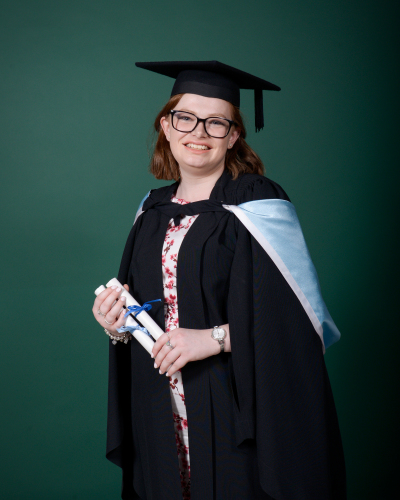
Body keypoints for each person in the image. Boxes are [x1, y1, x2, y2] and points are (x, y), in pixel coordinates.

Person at [92, 61, 346, 500]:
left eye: (216, 122)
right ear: (166, 126)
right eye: (186, 118)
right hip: (158, 406)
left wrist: (213, 338)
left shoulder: (258, 203)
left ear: (233, 136)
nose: (199, 132)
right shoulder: (151, 211)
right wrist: (116, 324)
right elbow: (143, 313)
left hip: (234, 405)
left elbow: (300, 321)